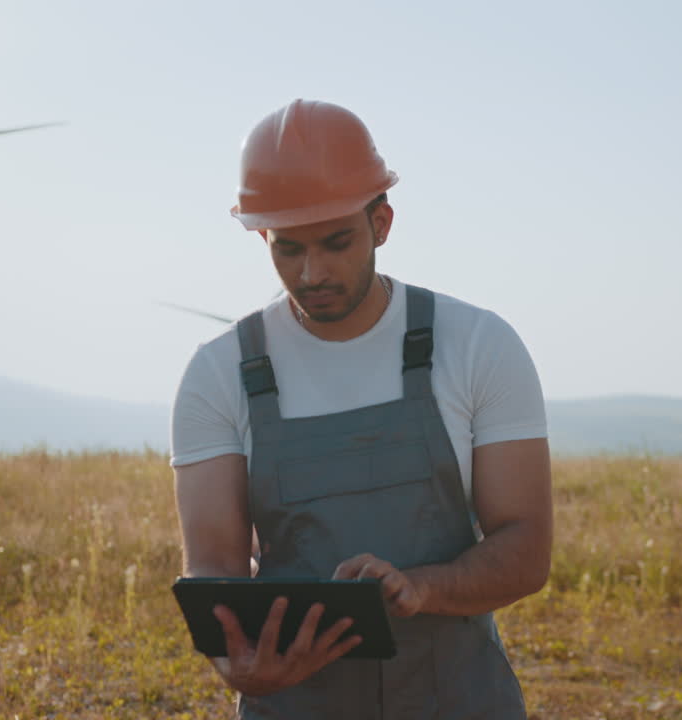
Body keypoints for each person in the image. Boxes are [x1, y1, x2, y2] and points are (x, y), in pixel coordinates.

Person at [171, 98, 552, 719]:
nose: (312, 271)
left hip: (457, 700)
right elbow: (214, 575)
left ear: (383, 222)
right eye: (287, 248)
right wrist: (236, 665)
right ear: (262, 235)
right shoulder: (217, 375)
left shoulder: (479, 346)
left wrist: (421, 588)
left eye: (337, 241)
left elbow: (526, 549)